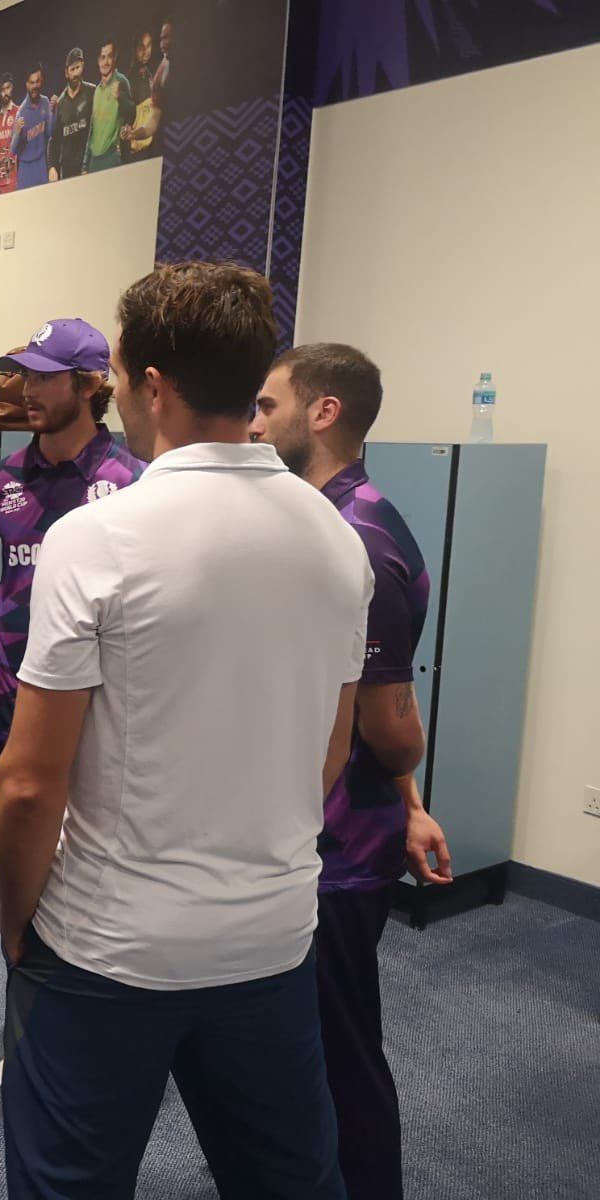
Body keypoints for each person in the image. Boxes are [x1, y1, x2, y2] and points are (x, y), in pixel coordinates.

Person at [0, 262, 371, 1199]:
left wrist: (15, 927)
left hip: (105, 949)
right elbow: (330, 749)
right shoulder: (338, 539)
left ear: (152, 386)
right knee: (288, 1181)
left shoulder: (101, 536)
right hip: (273, 941)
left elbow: (29, 783)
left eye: (119, 377)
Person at [250, 343, 453, 1200]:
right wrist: (410, 803)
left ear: (323, 412)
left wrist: (402, 786)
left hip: (339, 853)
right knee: (290, 1053)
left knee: (339, 1055)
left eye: (267, 406)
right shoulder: (315, 515)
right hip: (315, 831)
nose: (253, 423)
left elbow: (392, 727)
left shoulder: (356, 533)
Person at [0, 320, 143, 818]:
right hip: (9, 708)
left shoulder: (135, 482)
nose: (27, 391)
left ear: (90, 384)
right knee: (12, 871)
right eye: (25, 376)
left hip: (102, 719)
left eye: (45, 378)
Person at [85, 39, 135, 173]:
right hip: (94, 161)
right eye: (102, 57)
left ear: (115, 58)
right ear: (98, 60)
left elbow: (132, 114)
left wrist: (120, 97)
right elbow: (92, 129)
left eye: (109, 57)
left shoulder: (122, 81)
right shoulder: (97, 90)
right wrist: (85, 164)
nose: (106, 62)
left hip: (112, 157)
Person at [49, 48, 94, 182]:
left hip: (88, 166)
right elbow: (54, 141)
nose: (75, 74)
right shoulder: (60, 103)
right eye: (72, 70)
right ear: (66, 73)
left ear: (83, 67)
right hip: (68, 170)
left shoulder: (92, 92)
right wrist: (52, 167)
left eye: (78, 68)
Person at [10, 65, 54, 191]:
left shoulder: (45, 102)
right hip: (26, 169)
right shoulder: (21, 112)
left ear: (42, 81)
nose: (35, 86)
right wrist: (17, 133)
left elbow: (51, 132)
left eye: (37, 81)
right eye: (31, 82)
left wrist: (52, 113)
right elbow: (12, 151)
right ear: (27, 84)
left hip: (41, 164)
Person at [121, 29, 160, 163]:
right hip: (135, 156)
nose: (146, 51)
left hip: (151, 151)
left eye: (149, 46)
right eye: (142, 47)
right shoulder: (127, 81)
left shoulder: (151, 75)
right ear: (134, 49)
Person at [0, 73, 20, 196]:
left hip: (15, 180)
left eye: (8, 88)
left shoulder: (18, 112)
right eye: (2, 90)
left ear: (12, 88)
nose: (5, 92)